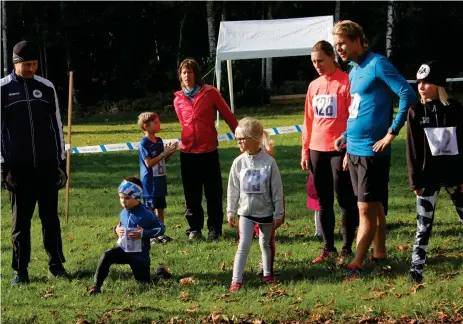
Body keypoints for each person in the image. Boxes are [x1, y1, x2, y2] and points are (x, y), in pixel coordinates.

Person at [332, 20, 417, 280]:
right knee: (375, 204)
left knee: (365, 209)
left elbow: (407, 94)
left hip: (372, 152)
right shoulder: (352, 70)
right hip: (355, 149)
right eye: (336, 45)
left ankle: (356, 262)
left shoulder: (378, 63)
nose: (340, 49)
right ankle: (379, 252)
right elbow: (359, 108)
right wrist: (346, 138)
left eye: (343, 43)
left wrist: (392, 132)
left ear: (358, 40)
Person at [1, 40, 70, 285]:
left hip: (47, 164)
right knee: (21, 223)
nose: (32, 69)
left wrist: (61, 159)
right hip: (17, 168)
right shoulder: (3, 89)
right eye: (27, 64)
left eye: (35, 64)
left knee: (50, 218)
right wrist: (3, 165)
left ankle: (56, 265)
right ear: (15, 63)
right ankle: (20, 270)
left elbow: (57, 125)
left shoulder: (46, 86)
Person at [301, 40, 359, 265]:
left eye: (320, 61)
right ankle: (328, 247)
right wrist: (305, 151)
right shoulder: (314, 86)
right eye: (314, 62)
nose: (317, 65)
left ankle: (346, 247)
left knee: (345, 200)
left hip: (340, 149)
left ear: (332, 57)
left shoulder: (346, 82)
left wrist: (349, 149)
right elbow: (308, 120)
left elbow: (354, 118)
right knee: (323, 201)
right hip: (317, 149)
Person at [406, 61, 463, 283]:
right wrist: (414, 181)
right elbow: (412, 150)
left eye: (427, 82)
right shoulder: (415, 111)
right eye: (419, 81)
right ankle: (416, 269)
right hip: (427, 178)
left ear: (439, 84)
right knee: (423, 225)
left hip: (454, 176)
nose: (421, 86)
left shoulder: (456, 109)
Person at [173, 58, 238, 241]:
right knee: (191, 194)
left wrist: (241, 137)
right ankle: (195, 228)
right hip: (188, 153)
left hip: (208, 151)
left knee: (213, 192)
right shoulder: (178, 99)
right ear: (180, 76)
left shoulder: (210, 93)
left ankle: (215, 229)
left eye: (190, 72)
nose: (187, 76)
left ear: (196, 74)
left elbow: (228, 116)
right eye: (184, 72)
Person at [227, 117, 284, 292]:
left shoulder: (269, 162)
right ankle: (236, 280)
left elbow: (277, 190)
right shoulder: (238, 163)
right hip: (245, 213)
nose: (239, 142)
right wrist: (231, 210)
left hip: (266, 212)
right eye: (237, 139)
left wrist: (278, 213)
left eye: (242, 138)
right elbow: (233, 188)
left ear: (254, 139)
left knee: (265, 244)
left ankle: (268, 275)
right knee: (243, 245)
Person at [89, 177, 170, 295]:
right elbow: (119, 226)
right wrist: (116, 230)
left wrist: (143, 233)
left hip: (139, 256)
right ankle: (96, 286)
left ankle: (161, 273)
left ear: (137, 197)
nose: (123, 201)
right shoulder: (124, 212)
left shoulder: (146, 214)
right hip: (124, 250)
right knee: (107, 255)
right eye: (121, 198)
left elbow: (161, 228)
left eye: (127, 198)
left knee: (144, 283)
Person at [137, 111, 178, 244]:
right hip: (150, 183)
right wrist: (163, 154)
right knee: (150, 210)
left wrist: (169, 153)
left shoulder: (159, 141)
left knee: (160, 208)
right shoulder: (144, 143)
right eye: (155, 123)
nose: (158, 124)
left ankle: (160, 233)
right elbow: (149, 163)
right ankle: (149, 235)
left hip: (160, 181)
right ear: (145, 126)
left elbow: (161, 162)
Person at [307, 173, 323, 239]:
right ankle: (319, 232)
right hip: (317, 187)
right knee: (319, 210)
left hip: (316, 184)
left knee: (318, 211)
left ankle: (319, 231)